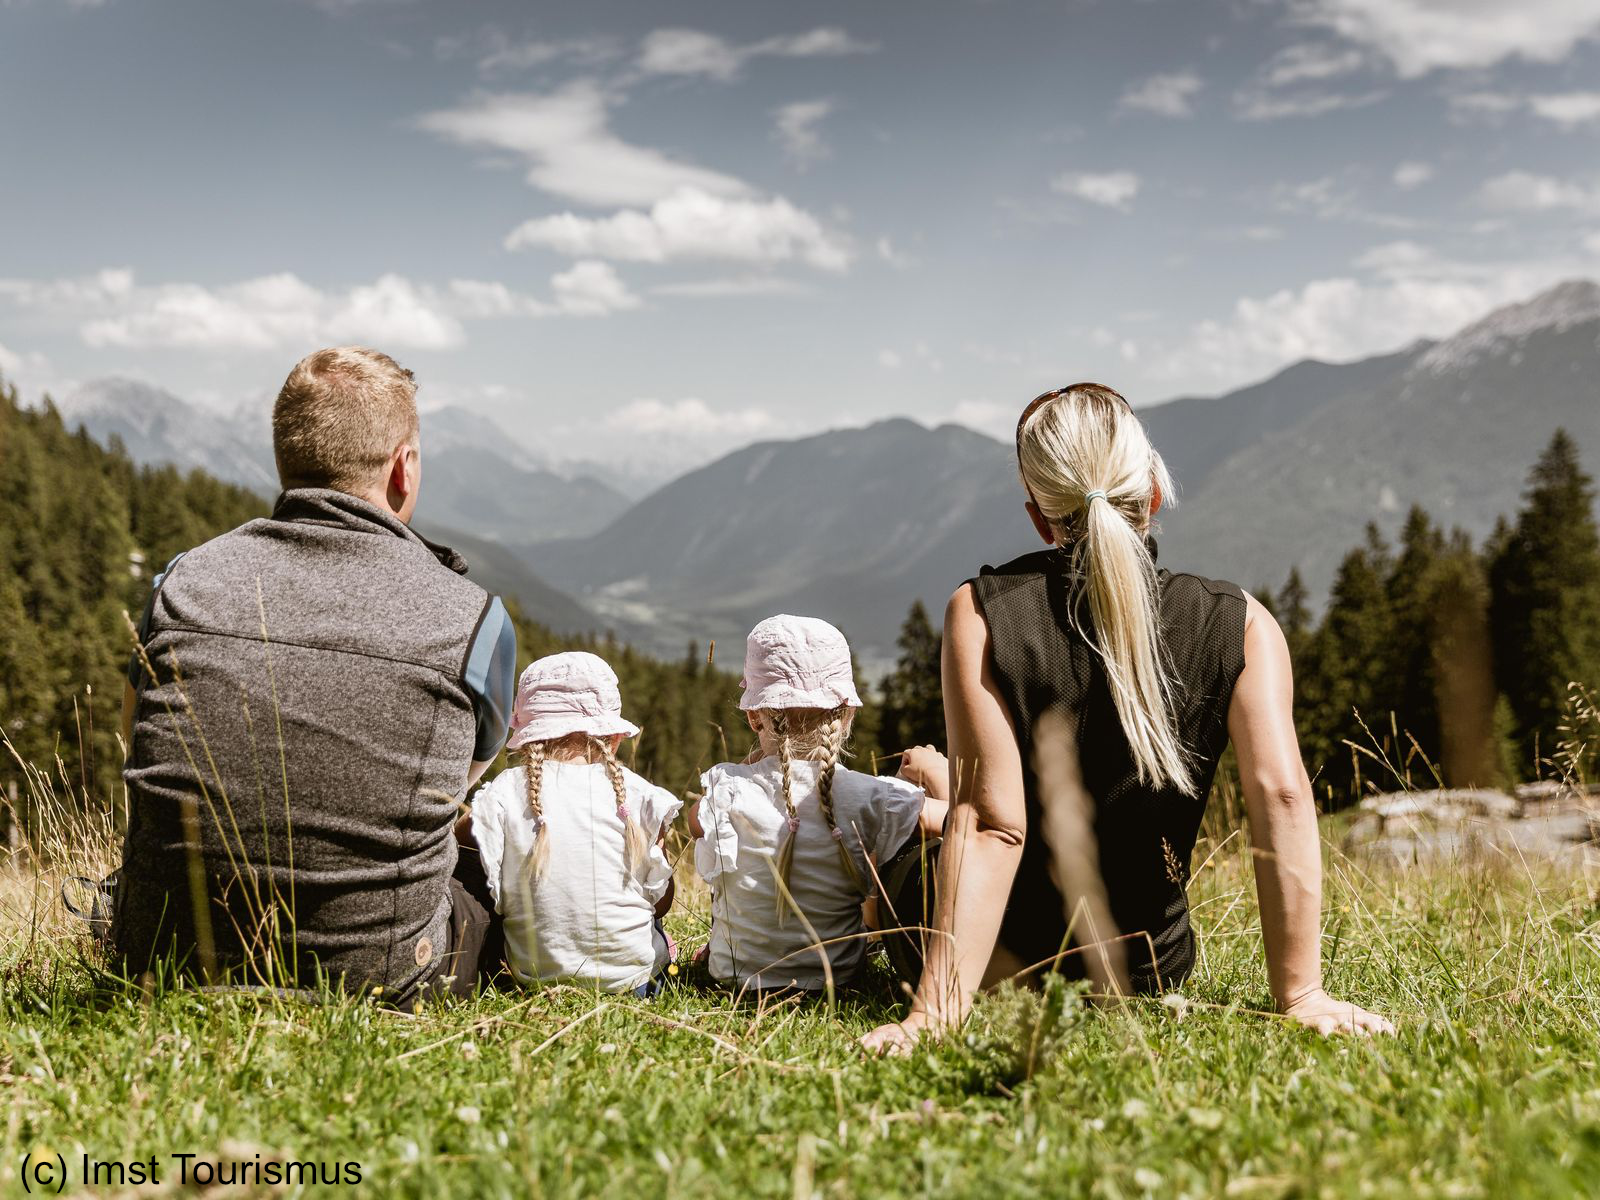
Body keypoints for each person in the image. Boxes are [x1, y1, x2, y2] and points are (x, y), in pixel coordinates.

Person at [863, 383, 1393, 1052]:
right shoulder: (1242, 624)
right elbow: (1282, 796)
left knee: (895, 844)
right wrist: (1303, 994)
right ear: (1151, 494)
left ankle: (927, 793)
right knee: (939, 803)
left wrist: (934, 1016)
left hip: (1003, 968)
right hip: (1146, 970)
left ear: (1039, 519)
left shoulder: (980, 614)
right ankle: (934, 788)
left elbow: (997, 827)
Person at [113, 347, 516, 1006]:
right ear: (402, 470)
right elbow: (455, 788)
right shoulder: (476, 622)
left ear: (285, 459)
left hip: (165, 959)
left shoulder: (181, 585)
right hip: (383, 976)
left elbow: (140, 739)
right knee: (478, 866)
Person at [688, 615, 944, 993]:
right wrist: (939, 773)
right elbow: (966, 824)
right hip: (835, 983)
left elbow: (695, 825)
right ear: (847, 715)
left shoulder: (727, 788)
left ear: (753, 718)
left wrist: (746, 768)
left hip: (735, 981)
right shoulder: (871, 795)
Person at [457, 652, 682, 995]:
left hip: (529, 980)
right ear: (614, 737)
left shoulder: (504, 791)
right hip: (636, 984)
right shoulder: (640, 795)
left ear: (528, 736)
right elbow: (661, 902)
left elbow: (457, 844)